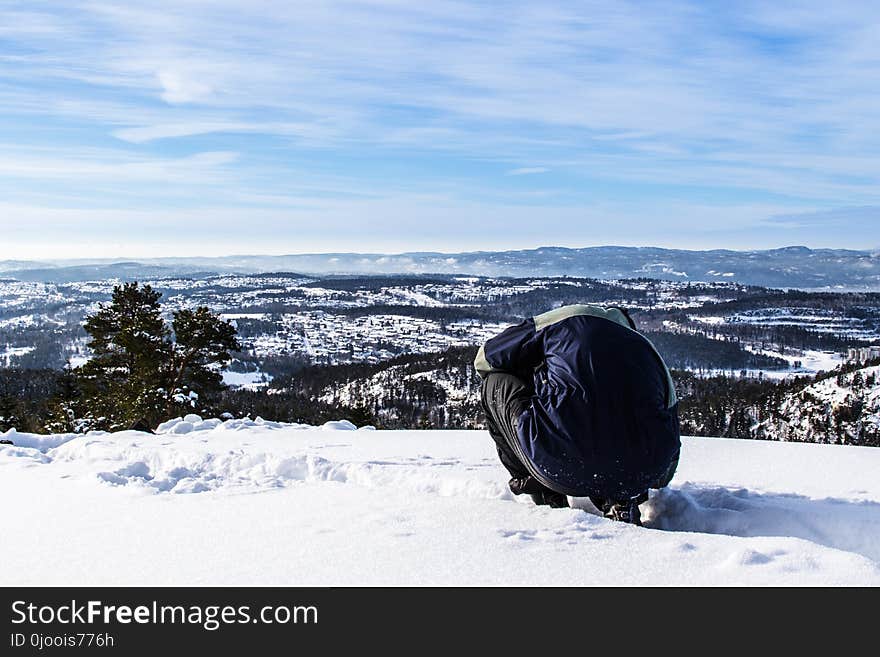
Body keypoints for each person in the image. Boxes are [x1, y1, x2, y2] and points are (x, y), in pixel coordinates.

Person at [475, 304, 680, 525]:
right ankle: (621, 499)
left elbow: (485, 358)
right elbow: (671, 425)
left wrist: (533, 376)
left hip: (556, 462)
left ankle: (539, 487)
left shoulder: (568, 319)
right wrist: (653, 476)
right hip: (642, 473)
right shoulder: (649, 352)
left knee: (494, 383)